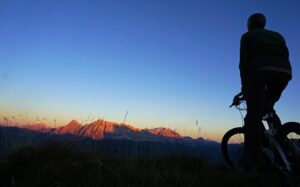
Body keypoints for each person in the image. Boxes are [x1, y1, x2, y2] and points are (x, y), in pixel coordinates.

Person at [236, 13, 292, 169]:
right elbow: (286, 55)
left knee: (253, 118)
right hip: (284, 73)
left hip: (260, 73)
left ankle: (252, 162)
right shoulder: (278, 36)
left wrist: (244, 88)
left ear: (250, 24)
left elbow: (244, 64)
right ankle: (282, 147)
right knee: (268, 109)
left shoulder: (247, 37)